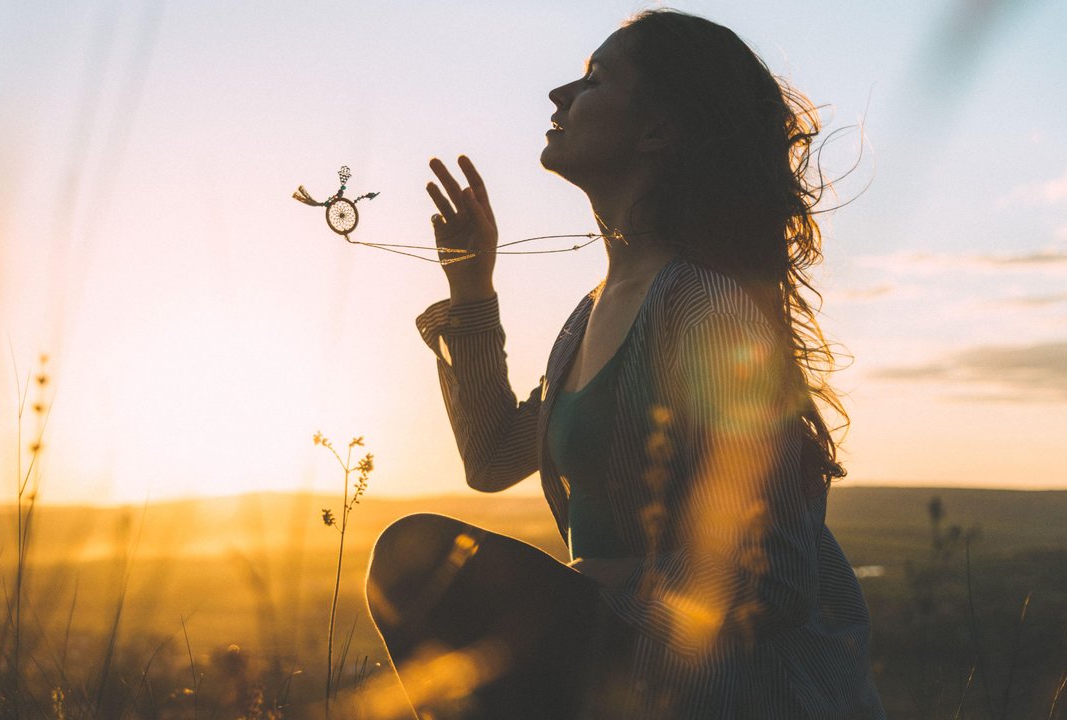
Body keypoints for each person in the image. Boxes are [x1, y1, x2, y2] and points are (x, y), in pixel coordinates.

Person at [366, 9, 885, 719]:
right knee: (417, 563)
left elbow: (780, 579)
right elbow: (490, 459)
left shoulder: (706, 308)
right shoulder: (592, 314)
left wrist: (612, 580)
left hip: (730, 692)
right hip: (625, 668)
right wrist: (472, 288)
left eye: (593, 79)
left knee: (417, 555)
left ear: (656, 131)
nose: (558, 95)